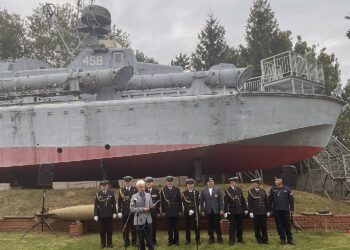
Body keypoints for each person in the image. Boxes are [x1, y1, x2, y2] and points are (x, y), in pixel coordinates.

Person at [269, 175, 295, 245]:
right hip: (276, 211)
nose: (275, 181)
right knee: (279, 225)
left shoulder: (287, 188)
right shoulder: (272, 189)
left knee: (287, 225)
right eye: (275, 180)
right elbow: (270, 200)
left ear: (281, 180)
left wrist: (292, 208)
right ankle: (282, 239)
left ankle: (290, 239)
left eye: (277, 180)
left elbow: (291, 199)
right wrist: (270, 210)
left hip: (285, 210)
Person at [130, 179, 154, 250]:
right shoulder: (134, 196)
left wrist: (152, 207)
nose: (143, 188)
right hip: (139, 221)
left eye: (143, 187)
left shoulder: (148, 195)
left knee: (149, 239)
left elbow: (151, 205)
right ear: (137, 187)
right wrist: (142, 209)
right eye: (141, 187)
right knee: (141, 241)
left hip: (148, 220)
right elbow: (132, 209)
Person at [224, 176, 248, 245]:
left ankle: (240, 238)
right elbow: (226, 202)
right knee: (232, 227)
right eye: (234, 182)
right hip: (232, 211)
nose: (235, 183)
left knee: (240, 226)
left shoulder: (239, 189)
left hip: (240, 210)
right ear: (231, 182)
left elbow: (243, 200)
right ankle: (231, 240)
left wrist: (245, 208)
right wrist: (226, 211)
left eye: (236, 182)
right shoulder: (227, 190)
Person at [200, 177, 224, 244]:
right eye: (209, 182)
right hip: (208, 211)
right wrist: (202, 210)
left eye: (212, 181)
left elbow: (221, 201)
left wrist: (221, 209)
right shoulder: (203, 190)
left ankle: (220, 238)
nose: (210, 183)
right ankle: (211, 238)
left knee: (217, 225)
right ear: (207, 183)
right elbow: (202, 202)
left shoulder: (218, 189)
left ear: (213, 182)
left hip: (216, 211)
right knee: (209, 226)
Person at [94, 180, 117, 249]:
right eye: (103, 185)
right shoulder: (98, 193)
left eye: (105, 185)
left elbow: (114, 203)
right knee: (102, 230)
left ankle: (109, 243)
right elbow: (96, 205)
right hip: (101, 215)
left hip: (109, 215)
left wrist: (114, 212)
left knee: (110, 230)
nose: (104, 187)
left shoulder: (111, 192)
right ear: (101, 186)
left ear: (107, 186)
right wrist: (95, 214)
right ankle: (102, 244)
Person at [160, 176, 182, 246]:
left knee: (176, 227)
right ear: (166, 182)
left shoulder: (177, 190)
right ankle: (170, 240)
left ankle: (176, 240)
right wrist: (163, 211)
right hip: (167, 211)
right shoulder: (163, 190)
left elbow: (180, 201)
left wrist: (180, 210)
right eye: (168, 181)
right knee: (169, 227)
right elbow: (162, 201)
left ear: (173, 182)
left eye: (171, 181)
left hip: (175, 211)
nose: (169, 183)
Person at [247, 177, 269, 244]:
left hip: (263, 211)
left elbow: (266, 202)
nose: (258, 184)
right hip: (255, 212)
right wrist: (250, 212)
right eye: (256, 183)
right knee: (257, 227)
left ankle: (265, 239)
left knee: (264, 226)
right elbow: (250, 203)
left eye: (258, 183)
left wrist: (268, 211)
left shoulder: (263, 191)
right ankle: (259, 239)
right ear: (253, 184)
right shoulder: (251, 191)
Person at [118, 176, 137, 247]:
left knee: (133, 227)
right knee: (125, 228)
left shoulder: (134, 189)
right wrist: (119, 211)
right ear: (124, 182)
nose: (127, 182)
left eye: (128, 181)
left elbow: (137, 200)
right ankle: (126, 241)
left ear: (130, 182)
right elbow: (119, 201)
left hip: (133, 212)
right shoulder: (121, 190)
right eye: (126, 181)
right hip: (125, 212)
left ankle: (134, 241)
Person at [181, 178, 201, 245]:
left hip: (195, 212)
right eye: (188, 184)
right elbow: (184, 203)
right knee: (187, 227)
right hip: (187, 212)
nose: (190, 185)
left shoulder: (197, 192)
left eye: (191, 184)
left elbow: (198, 203)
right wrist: (189, 210)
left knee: (197, 227)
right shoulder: (184, 193)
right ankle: (188, 239)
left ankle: (198, 239)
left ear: (193, 184)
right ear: (187, 185)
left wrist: (193, 210)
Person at [145, 176, 161, 245]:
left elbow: (158, 202)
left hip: (153, 212)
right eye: (147, 182)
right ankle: (147, 241)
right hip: (145, 212)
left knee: (153, 227)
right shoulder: (143, 191)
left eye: (150, 182)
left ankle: (154, 240)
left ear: (152, 183)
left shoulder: (156, 191)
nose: (148, 183)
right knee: (146, 227)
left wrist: (158, 211)